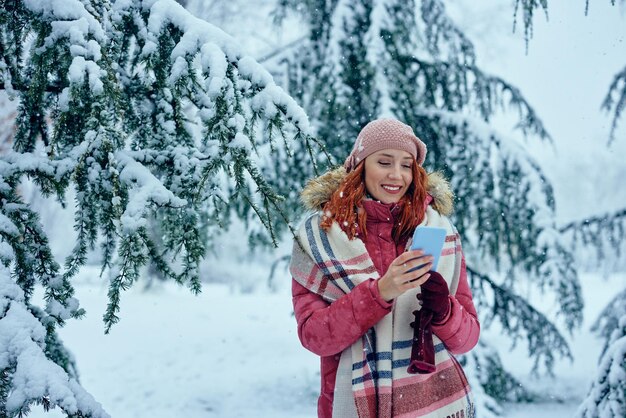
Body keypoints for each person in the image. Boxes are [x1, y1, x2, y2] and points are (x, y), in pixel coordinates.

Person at [289, 118, 480, 418]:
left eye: (407, 165)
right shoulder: (321, 236)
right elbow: (315, 336)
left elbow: (467, 339)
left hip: (429, 405)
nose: (396, 175)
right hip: (351, 403)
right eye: (384, 161)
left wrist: (443, 311)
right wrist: (379, 293)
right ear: (360, 165)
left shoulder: (441, 233)